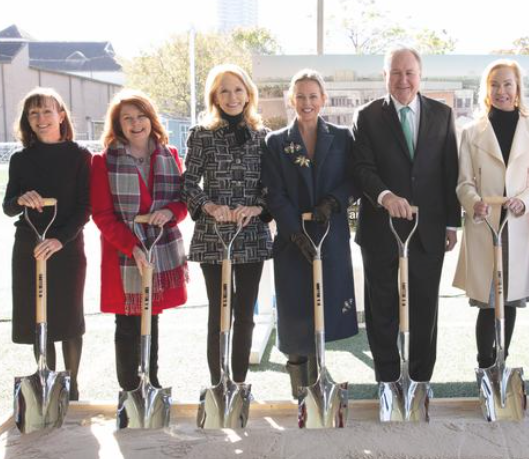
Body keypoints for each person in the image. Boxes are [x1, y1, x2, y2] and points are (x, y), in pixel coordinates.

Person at [352, 47, 460, 384]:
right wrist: (385, 197)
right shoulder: (366, 116)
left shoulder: (442, 114)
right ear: (385, 76)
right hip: (381, 230)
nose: (403, 80)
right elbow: (362, 169)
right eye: (395, 73)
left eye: (409, 72)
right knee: (382, 309)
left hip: (428, 230)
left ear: (420, 75)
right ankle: (387, 380)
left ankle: (419, 381)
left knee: (425, 307)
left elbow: (449, 171)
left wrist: (451, 223)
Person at [262, 69, 358, 398]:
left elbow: (353, 180)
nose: (307, 102)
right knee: (295, 309)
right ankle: (300, 391)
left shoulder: (343, 138)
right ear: (292, 100)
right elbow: (273, 192)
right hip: (292, 241)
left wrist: (333, 202)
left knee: (325, 306)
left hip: (330, 235)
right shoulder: (275, 142)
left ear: (323, 100)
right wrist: (294, 231)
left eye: (313, 96)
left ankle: (319, 384)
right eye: (300, 96)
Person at [453, 59, 529, 374]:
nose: (502, 91)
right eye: (495, 85)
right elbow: (463, 182)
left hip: (517, 225)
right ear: (486, 90)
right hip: (485, 223)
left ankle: (501, 364)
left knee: (509, 301)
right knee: (487, 300)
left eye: (508, 84)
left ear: (518, 89)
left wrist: (524, 201)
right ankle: (484, 367)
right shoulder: (471, 132)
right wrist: (474, 202)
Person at [90, 89, 188, 391]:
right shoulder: (103, 162)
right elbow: (102, 215)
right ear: (118, 125)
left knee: (151, 320)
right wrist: (131, 246)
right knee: (128, 323)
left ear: (151, 119)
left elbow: (183, 202)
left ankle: (151, 381)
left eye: (141, 116)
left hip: (159, 250)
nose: (135, 123)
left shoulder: (170, 156)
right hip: (123, 254)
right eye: (127, 119)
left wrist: (169, 213)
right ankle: (131, 387)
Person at [181, 64, 273, 386]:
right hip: (213, 235)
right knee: (220, 312)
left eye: (238, 90)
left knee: (245, 314)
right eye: (224, 91)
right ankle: (218, 383)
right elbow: (189, 183)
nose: (232, 97)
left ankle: (238, 382)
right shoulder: (201, 135)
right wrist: (209, 206)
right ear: (214, 97)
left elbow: (271, 186)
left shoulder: (264, 137)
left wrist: (257, 207)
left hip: (250, 234)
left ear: (248, 94)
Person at [3, 88, 90, 401]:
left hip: (65, 247)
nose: (40, 119)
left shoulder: (81, 156)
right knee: (39, 318)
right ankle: (50, 385)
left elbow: (84, 207)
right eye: (33, 113)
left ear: (61, 115)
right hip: (29, 245)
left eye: (47, 111)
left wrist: (59, 239)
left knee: (68, 317)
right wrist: (21, 199)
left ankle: (72, 385)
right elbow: (8, 206)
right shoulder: (20, 159)